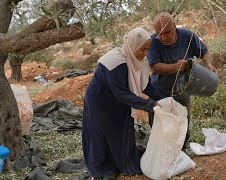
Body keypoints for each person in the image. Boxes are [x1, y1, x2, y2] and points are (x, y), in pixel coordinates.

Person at [82, 27, 165, 180]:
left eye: (148, 50)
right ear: (133, 45)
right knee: (102, 134)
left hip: (119, 101)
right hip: (100, 101)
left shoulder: (135, 60)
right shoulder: (115, 62)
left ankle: (123, 163)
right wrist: (150, 105)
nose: (145, 54)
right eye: (142, 49)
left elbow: (145, 85)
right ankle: (101, 169)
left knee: (122, 132)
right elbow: (120, 92)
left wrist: (164, 100)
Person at [147, 12, 218, 149]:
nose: (163, 37)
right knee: (159, 124)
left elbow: (204, 52)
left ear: (175, 26)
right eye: (159, 33)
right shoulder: (153, 41)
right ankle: (163, 153)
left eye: (167, 32)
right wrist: (176, 67)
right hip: (159, 92)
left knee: (182, 124)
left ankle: (181, 152)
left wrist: (208, 64)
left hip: (183, 90)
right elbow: (155, 66)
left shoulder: (187, 36)